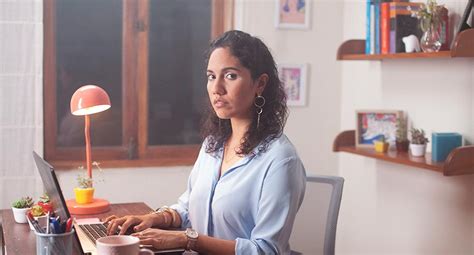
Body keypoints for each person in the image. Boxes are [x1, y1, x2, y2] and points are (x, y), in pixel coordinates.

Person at [105, 30, 306, 254]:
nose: (217, 88)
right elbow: (189, 206)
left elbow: (266, 250)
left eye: (230, 76)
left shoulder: (281, 160)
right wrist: (154, 218)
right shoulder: (214, 144)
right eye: (211, 76)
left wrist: (186, 240)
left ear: (260, 84)